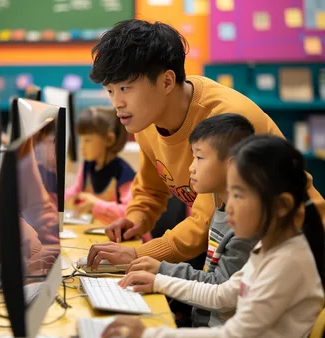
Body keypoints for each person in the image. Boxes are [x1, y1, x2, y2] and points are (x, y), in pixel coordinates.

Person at [86, 19, 325, 267]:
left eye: (125, 88)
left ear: (167, 81)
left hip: (299, 250)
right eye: (110, 90)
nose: (117, 103)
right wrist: (135, 219)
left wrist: (138, 255)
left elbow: (205, 223)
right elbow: (151, 189)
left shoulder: (227, 122)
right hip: (241, 255)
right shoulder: (145, 119)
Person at [102, 135, 325, 338]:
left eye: (238, 195)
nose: (229, 207)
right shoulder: (269, 247)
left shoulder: (288, 261)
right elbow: (221, 294)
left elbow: (232, 336)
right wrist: (157, 281)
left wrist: (149, 336)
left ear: (282, 206)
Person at [128, 113, 257, 328]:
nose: (190, 167)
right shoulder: (222, 210)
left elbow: (220, 288)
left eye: (199, 157)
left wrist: (162, 272)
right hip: (203, 324)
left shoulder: (244, 227)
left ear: (231, 164)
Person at [65, 106, 135, 225]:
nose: (81, 146)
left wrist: (95, 204)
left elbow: (130, 214)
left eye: (87, 140)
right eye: (80, 140)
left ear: (109, 139)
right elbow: (76, 191)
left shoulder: (123, 173)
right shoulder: (87, 165)